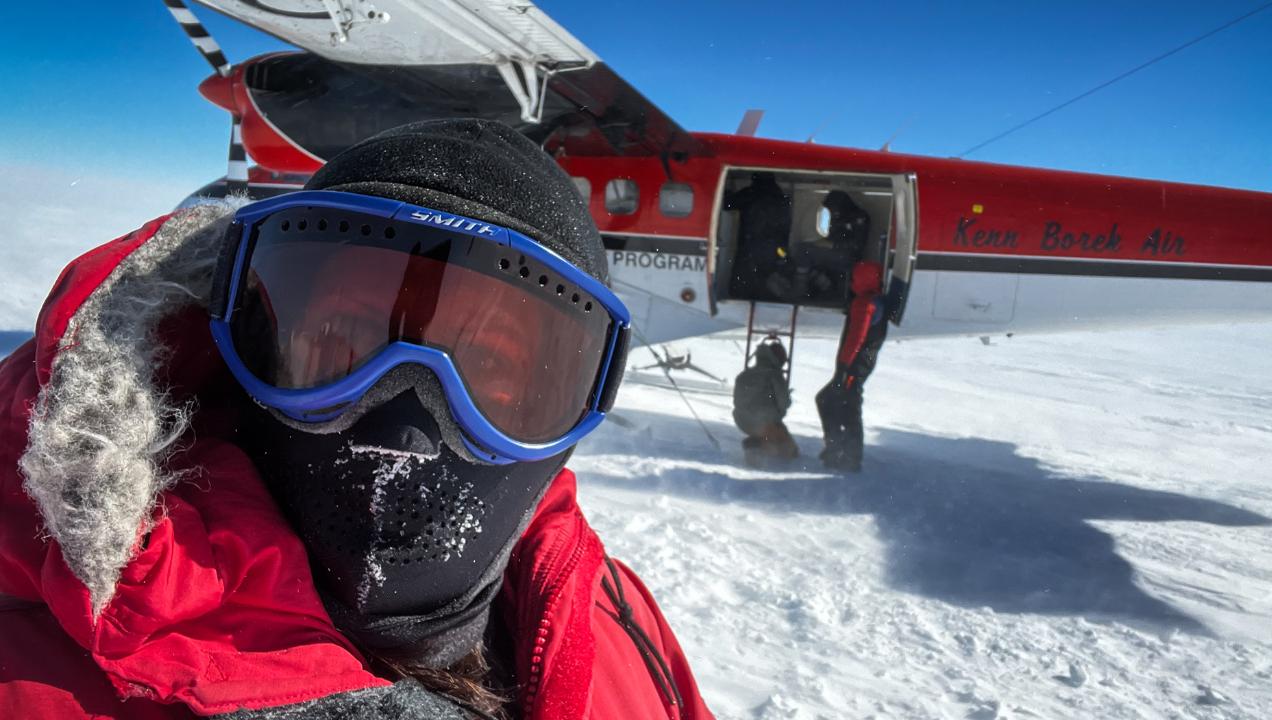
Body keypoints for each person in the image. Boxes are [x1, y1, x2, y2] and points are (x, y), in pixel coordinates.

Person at [0, 120, 714, 719]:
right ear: (244, 338)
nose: (404, 428)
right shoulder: (29, 656)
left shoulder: (614, 619)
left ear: (572, 403)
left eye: (494, 370)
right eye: (343, 339)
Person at [814, 195, 888, 473]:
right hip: (861, 365)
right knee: (842, 402)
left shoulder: (864, 305)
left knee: (839, 402)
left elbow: (856, 339)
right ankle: (842, 450)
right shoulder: (876, 299)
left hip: (854, 366)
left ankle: (844, 453)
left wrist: (843, 371)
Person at [723, 172, 792, 300]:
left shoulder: (751, 193)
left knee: (743, 282)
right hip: (774, 249)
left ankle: (742, 302)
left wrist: (726, 190)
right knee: (765, 281)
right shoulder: (782, 197)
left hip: (750, 245)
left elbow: (726, 204)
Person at [731, 340, 799, 464]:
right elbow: (784, 402)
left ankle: (757, 443)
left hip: (741, 420)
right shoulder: (774, 375)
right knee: (788, 450)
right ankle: (756, 446)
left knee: (771, 435)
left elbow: (737, 400)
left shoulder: (744, 375)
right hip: (765, 422)